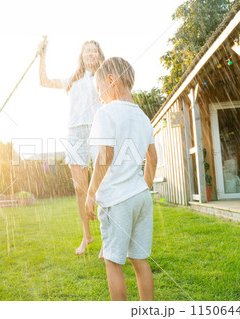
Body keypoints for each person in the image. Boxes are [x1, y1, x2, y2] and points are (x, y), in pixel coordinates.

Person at [85, 57, 158, 301]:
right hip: (141, 198)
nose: (99, 97)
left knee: (113, 263)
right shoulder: (143, 117)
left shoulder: (106, 113)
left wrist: (91, 193)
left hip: (117, 201)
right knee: (140, 261)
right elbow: (153, 158)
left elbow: (105, 155)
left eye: (99, 90)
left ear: (111, 80)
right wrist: (143, 188)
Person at [38, 39, 105, 255]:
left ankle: (107, 236)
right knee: (79, 188)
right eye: (87, 50)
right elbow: (44, 81)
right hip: (75, 132)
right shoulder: (73, 79)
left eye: (94, 50)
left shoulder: (103, 76)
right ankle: (87, 236)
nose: (91, 53)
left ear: (99, 55)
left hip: (97, 130)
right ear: (81, 55)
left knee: (103, 185)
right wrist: (42, 55)